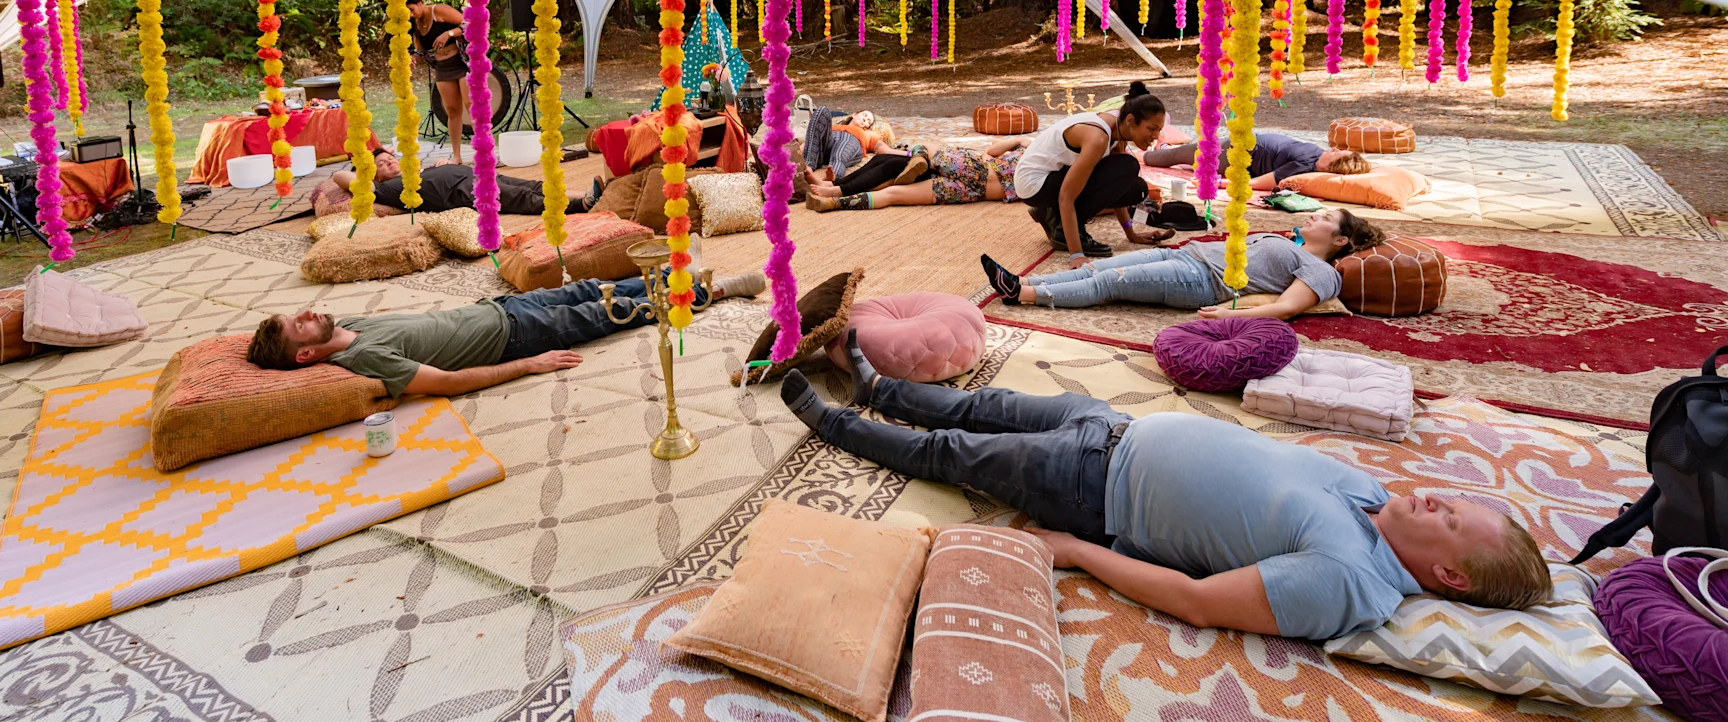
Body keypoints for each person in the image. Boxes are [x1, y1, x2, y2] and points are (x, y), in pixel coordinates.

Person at [777, 339, 1552, 641]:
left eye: (1452, 518)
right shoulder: (1374, 499)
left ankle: (833, 423)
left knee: (952, 452)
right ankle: (879, 388)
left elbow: (1198, 601)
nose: (1437, 498)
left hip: (1093, 487)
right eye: (1453, 499)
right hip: (1114, 423)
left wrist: (1076, 550)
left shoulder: (1349, 580)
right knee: (984, 403)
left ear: (1449, 575)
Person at [248, 269, 769, 397]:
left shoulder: (349, 326)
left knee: (593, 287)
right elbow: (446, 384)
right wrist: (528, 365)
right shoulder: (364, 361)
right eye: (299, 324)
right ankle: (717, 291)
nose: (308, 311)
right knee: (612, 312)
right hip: (514, 339)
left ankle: (682, 275)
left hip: (502, 307)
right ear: (306, 355)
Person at [982, 207, 1385, 319]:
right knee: (1093, 269)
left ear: (1340, 241)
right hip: (1183, 254)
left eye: (1325, 218)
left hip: (1200, 279)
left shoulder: (1322, 272)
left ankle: (1023, 295)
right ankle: (1021, 281)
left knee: (1111, 282)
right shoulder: (1289, 241)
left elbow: (1286, 307)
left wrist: (1230, 316)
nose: (1314, 215)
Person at [1015, 82, 1174, 259]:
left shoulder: (1118, 132)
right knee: (1128, 166)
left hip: (1052, 177)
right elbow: (1066, 196)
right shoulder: (1098, 138)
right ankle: (1061, 229)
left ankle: (1049, 213)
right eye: (1151, 129)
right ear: (1130, 120)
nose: (1155, 136)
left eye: (1158, 130)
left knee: (1136, 188)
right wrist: (1076, 254)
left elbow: (1116, 189)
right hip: (1034, 184)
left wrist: (1131, 234)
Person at [311, 146, 603, 218]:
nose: (390, 163)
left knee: (533, 186)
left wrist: (443, 166)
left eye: (390, 158)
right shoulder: (385, 189)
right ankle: (581, 205)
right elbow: (339, 176)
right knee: (522, 198)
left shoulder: (415, 170)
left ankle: (590, 196)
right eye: (383, 166)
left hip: (473, 176)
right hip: (461, 192)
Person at [806, 134, 1033, 211]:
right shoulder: (1040, 177)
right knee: (893, 193)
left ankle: (919, 159)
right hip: (973, 192)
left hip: (976, 170)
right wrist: (1021, 141)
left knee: (924, 147)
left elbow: (990, 153)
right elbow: (991, 151)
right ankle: (834, 200)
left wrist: (1022, 141)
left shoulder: (1033, 154)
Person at [1145, 130, 1370, 190]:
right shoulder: (1317, 155)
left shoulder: (1305, 166)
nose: (1333, 149)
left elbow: (1262, 182)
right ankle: (1162, 148)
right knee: (1186, 154)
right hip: (1240, 145)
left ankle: (1147, 155)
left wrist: (1220, 183)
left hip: (1235, 155)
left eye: (1336, 153)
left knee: (1177, 156)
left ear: (1331, 166)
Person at [412, 2, 470, 164]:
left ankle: (484, 153)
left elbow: (468, 24)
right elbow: (421, 51)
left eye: (411, 9)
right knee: (452, 110)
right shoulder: (415, 24)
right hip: (443, 68)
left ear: (419, 3)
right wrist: (414, 58)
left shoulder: (438, 10)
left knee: (471, 105)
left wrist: (449, 34)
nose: (410, 14)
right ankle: (457, 156)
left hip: (462, 63)